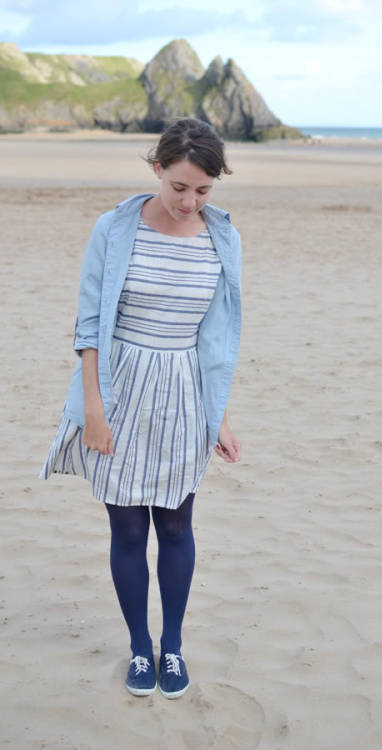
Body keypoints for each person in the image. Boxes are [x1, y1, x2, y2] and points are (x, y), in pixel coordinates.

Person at [38, 117, 242, 699]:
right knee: (127, 528)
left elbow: (216, 337)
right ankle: (138, 648)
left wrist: (218, 415)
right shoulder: (115, 227)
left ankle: (171, 648)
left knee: (176, 523)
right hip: (119, 387)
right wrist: (94, 409)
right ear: (157, 169)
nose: (190, 201)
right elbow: (89, 325)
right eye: (180, 187)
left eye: (203, 190)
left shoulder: (224, 237)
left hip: (183, 390)